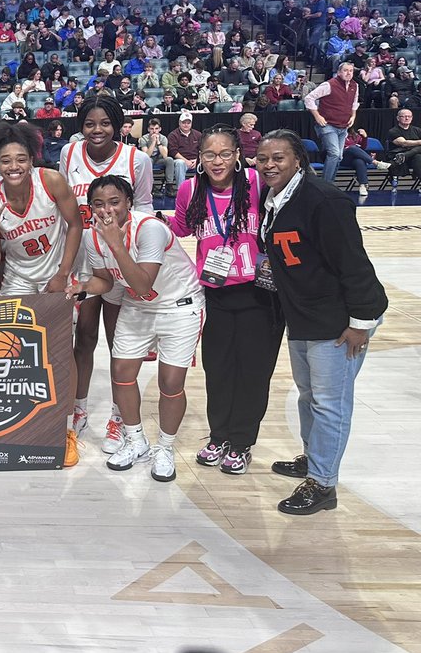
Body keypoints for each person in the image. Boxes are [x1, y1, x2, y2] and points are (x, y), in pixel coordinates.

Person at [255, 130, 387, 515]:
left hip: (339, 318)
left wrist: (360, 323)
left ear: (298, 159)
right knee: (308, 395)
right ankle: (314, 461)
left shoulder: (325, 201)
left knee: (331, 403)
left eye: (278, 157)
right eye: (263, 159)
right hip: (305, 315)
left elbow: (354, 264)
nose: (269, 165)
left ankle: (323, 484)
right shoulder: (276, 198)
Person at [73, 175, 204, 483]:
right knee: (121, 373)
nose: (107, 210)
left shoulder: (151, 229)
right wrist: (79, 285)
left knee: (170, 382)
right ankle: (136, 441)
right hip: (138, 306)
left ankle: (165, 448)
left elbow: (143, 282)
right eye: (98, 204)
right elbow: (106, 281)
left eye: (115, 202)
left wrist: (117, 245)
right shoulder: (93, 237)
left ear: (129, 203)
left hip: (179, 307)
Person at [169, 126, 282, 476]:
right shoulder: (190, 189)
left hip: (259, 293)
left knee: (252, 373)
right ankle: (218, 436)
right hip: (215, 294)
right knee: (218, 371)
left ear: (237, 155)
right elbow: (180, 229)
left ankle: (242, 442)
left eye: (224, 154)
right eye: (209, 155)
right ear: (199, 159)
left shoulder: (255, 182)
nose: (217, 161)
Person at [59, 96, 154, 444]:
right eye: (89, 123)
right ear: (80, 126)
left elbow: (143, 206)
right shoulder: (69, 155)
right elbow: (66, 206)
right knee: (82, 339)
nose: (97, 130)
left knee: (120, 343)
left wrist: (128, 249)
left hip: (120, 258)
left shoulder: (137, 159)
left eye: (104, 123)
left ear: (118, 125)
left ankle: (119, 415)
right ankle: (78, 408)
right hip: (85, 258)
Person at [0, 122, 82, 296]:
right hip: (17, 277)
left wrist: (62, 273)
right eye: (5, 161)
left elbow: (75, 225)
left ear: (31, 161)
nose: (14, 167)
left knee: (59, 322)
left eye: (21, 160)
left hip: (56, 270)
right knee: (11, 323)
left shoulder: (51, 181)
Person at [304, 61, 360, 183]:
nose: (348, 73)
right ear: (339, 72)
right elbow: (309, 98)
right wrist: (317, 116)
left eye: (351, 71)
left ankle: (330, 184)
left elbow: (354, 103)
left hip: (343, 125)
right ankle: (325, 184)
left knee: (339, 157)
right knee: (334, 153)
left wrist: (353, 116)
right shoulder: (329, 84)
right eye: (345, 70)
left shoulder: (354, 85)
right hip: (328, 125)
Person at [167, 112, 203, 195]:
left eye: (188, 123)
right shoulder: (173, 135)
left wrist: (198, 159)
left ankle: (203, 189)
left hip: (196, 160)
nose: (186, 125)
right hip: (181, 160)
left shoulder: (198, 134)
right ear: (179, 123)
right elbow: (173, 151)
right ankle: (181, 191)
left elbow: (203, 149)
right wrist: (186, 161)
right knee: (180, 163)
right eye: (183, 123)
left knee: (206, 162)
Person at [387, 108, 421, 185]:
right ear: (398, 118)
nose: (407, 118)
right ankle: (404, 155)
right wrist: (419, 142)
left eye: (409, 116)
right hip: (397, 155)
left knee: (418, 157)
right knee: (418, 155)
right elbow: (404, 143)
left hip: (412, 158)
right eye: (404, 116)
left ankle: (405, 155)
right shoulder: (393, 131)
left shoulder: (417, 130)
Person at [137, 117, 170, 195]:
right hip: (149, 159)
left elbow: (165, 155)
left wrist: (158, 142)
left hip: (159, 159)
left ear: (160, 129)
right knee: (148, 160)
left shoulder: (163, 138)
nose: (154, 131)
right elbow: (146, 156)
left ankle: (169, 185)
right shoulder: (144, 139)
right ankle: (151, 186)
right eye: (152, 129)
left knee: (169, 160)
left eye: (156, 128)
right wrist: (153, 142)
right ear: (148, 129)